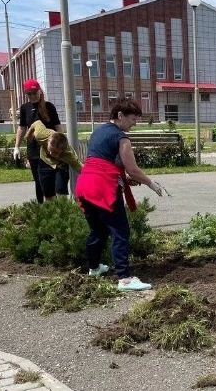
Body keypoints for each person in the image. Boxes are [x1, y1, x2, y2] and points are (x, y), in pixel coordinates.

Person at [75, 97, 164, 291]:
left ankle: (94, 268)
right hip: (103, 187)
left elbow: (104, 162)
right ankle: (124, 278)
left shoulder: (98, 131)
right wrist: (151, 184)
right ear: (120, 115)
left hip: (84, 184)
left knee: (98, 230)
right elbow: (132, 169)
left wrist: (123, 178)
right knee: (120, 230)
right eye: (133, 119)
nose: (134, 124)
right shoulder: (121, 137)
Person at [13, 79, 69, 202]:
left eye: (34, 92)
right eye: (29, 94)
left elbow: (58, 127)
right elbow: (22, 128)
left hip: (50, 150)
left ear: (39, 91)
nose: (32, 96)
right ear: (25, 94)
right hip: (33, 151)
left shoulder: (49, 107)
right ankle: (42, 208)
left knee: (50, 180)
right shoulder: (24, 108)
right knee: (38, 181)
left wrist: (63, 145)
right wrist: (16, 147)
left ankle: (55, 206)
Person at [26, 120, 83, 201]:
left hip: (61, 164)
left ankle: (64, 209)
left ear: (62, 150)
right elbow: (36, 122)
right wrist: (29, 135)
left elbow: (79, 167)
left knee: (60, 189)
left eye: (55, 152)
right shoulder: (41, 135)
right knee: (47, 192)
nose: (51, 153)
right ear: (48, 142)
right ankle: (51, 211)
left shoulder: (68, 154)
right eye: (50, 149)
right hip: (44, 161)